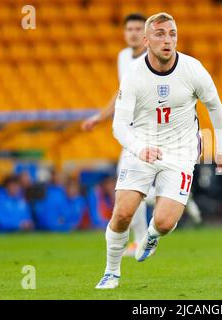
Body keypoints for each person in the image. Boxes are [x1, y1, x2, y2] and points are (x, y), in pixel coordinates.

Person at [95, 12, 222, 289]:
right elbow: (119, 125)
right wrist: (139, 148)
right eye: (159, 34)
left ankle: (152, 236)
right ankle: (111, 272)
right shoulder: (134, 76)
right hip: (142, 147)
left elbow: (215, 107)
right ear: (146, 40)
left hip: (181, 152)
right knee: (122, 213)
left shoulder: (193, 69)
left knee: (165, 222)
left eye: (172, 34)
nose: (167, 40)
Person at [82, 13, 149, 256]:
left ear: (146, 33)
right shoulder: (123, 57)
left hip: (151, 132)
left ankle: (145, 235)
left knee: (136, 185)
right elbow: (121, 93)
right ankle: (141, 240)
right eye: (129, 28)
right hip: (131, 134)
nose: (132, 33)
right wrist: (99, 117)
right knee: (129, 185)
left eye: (137, 29)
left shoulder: (154, 59)